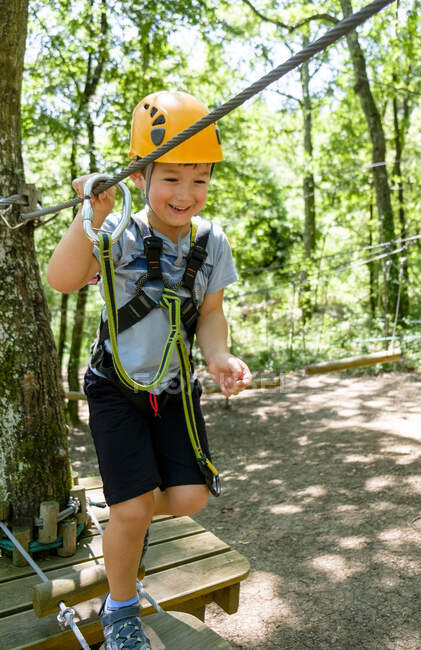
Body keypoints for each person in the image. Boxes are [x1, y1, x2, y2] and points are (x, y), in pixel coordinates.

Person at [47, 90, 252, 649]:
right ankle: (120, 607)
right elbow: (62, 279)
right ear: (141, 177)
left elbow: (210, 314)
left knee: (190, 498)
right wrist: (91, 215)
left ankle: (121, 507)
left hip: (175, 389)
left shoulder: (211, 243)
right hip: (116, 386)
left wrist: (219, 357)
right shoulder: (118, 235)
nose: (186, 195)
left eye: (200, 180)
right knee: (136, 508)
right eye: (172, 179)